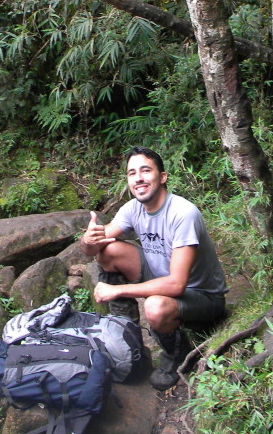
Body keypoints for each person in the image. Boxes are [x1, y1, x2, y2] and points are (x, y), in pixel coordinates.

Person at [81, 146, 228, 390]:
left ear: (162, 177)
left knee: (155, 306)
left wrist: (118, 290)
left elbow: (176, 284)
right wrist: (88, 240)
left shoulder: (183, 214)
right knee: (109, 251)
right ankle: (126, 337)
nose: (138, 178)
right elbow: (94, 247)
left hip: (202, 296)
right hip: (162, 277)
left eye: (145, 170)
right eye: (131, 173)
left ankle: (176, 353)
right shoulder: (132, 209)